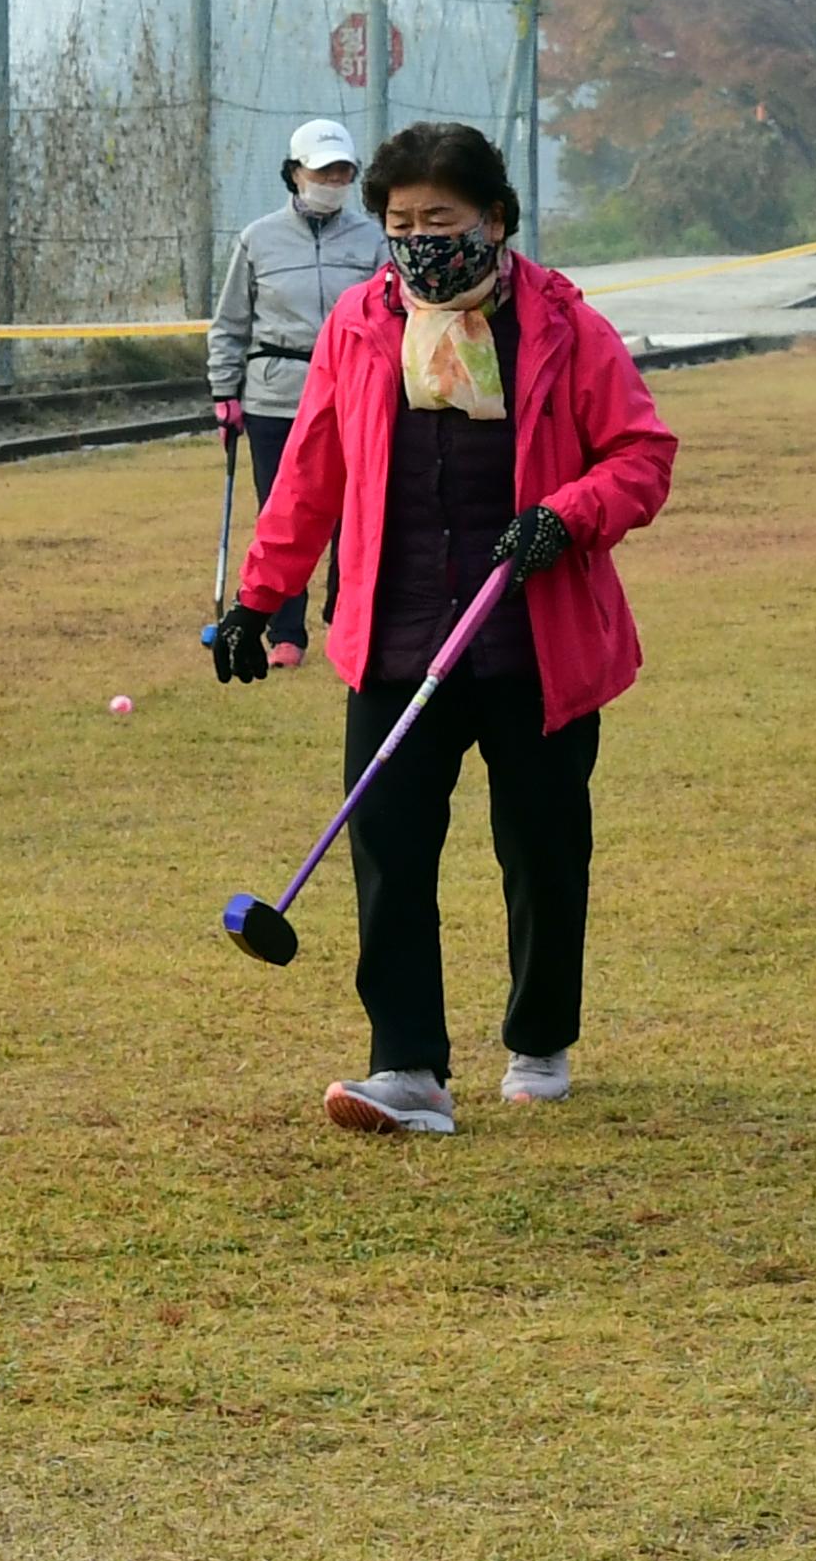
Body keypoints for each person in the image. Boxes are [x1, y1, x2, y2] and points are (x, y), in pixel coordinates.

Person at [212, 120, 677, 1137]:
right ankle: (408, 1066)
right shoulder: (358, 325)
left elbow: (642, 456)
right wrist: (259, 598)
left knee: (543, 850)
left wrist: (567, 514)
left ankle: (540, 1037)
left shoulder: (563, 323)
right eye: (401, 222)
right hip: (396, 634)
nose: (420, 241)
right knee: (389, 847)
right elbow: (312, 475)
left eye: (442, 219)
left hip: (533, 641)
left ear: (496, 218)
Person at [205, 119, 387, 666]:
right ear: (295, 173)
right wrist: (224, 390)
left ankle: (344, 612)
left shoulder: (373, 239)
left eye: (343, 172)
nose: (333, 180)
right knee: (281, 510)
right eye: (323, 170)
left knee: (350, 511)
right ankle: (286, 632)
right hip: (272, 397)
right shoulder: (257, 239)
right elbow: (230, 322)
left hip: (351, 394)